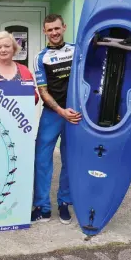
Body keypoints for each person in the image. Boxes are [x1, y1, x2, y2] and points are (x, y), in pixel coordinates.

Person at [31, 14, 81, 225]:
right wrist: (60, 111)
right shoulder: (40, 57)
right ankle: (42, 206)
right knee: (42, 160)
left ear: (64, 27)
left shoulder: (77, 50)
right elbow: (42, 91)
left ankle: (64, 203)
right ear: (45, 31)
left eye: (57, 28)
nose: (54, 32)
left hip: (76, 114)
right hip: (53, 114)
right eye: (50, 29)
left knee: (70, 158)